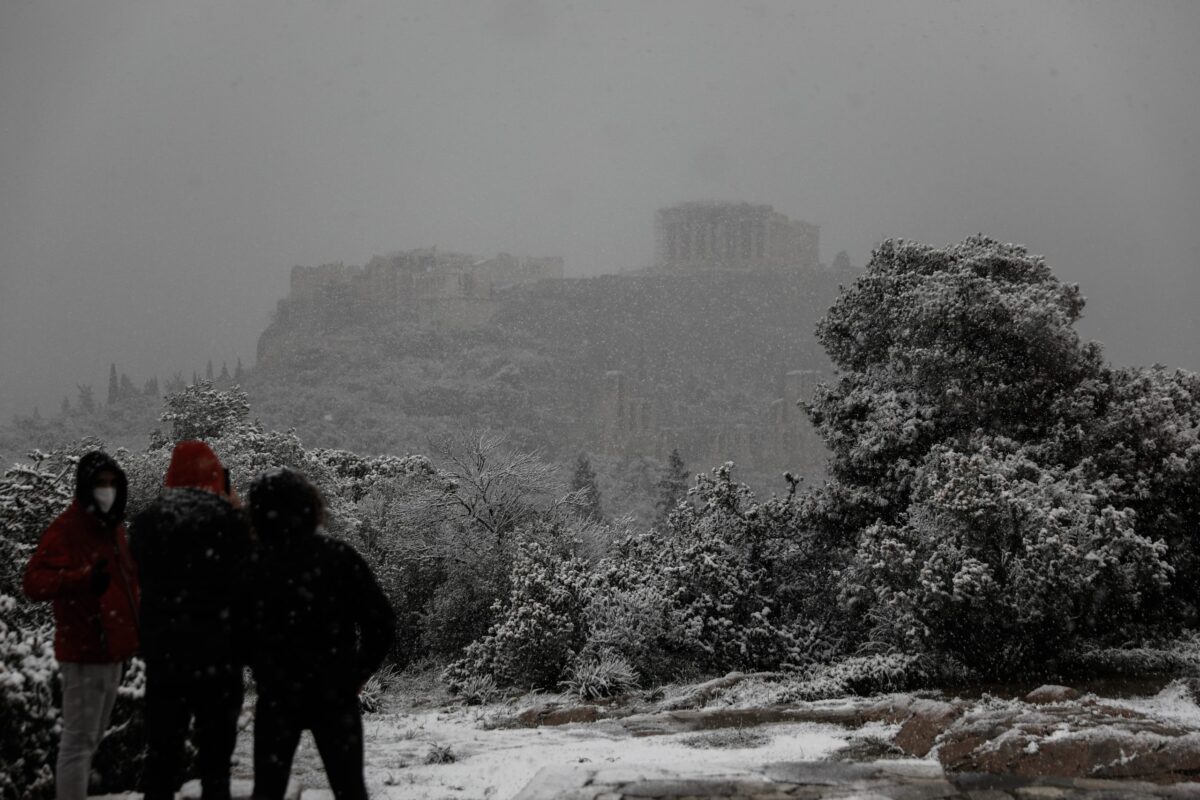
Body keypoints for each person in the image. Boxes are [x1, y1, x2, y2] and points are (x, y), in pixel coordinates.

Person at [244, 468, 395, 800]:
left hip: (277, 696)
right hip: (334, 694)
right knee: (350, 790)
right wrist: (358, 673)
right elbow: (381, 622)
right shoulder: (338, 558)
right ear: (310, 507)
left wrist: (261, 666)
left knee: (268, 791)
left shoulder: (253, 564)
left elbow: (234, 632)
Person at [130, 440, 250, 800]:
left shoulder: (147, 522)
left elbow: (140, 579)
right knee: (216, 758)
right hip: (219, 655)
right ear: (216, 476)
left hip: (165, 656)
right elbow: (247, 583)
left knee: (163, 753)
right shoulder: (230, 523)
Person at [23, 451, 139, 800]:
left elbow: (125, 586)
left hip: (111, 652)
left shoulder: (113, 527)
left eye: (112, 483)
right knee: (78, 743)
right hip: (84, 650)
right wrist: (80, 579)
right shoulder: (68, 528)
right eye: (100, 484)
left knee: (91, 739)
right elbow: (33, 582)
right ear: (84, 487)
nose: (107, 491)